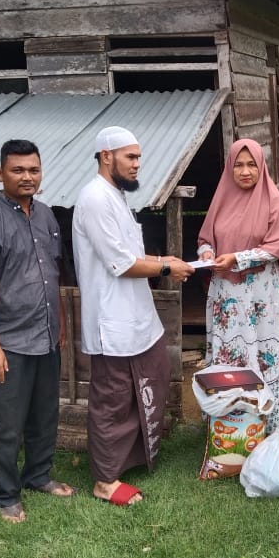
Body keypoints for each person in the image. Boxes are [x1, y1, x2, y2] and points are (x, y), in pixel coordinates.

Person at [73, 126, 194, 506]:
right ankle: (105, 481)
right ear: (106, 156)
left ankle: (133, 457)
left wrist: (165, 260)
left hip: (137, 316)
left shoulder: (117, 198)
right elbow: (120, 263)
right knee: (112, 398)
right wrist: (166, 269)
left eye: (139, 157)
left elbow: (132, 253)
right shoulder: (94, 198)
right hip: (112, 320)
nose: (137, 164)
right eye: (131, 157)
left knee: (149, 380)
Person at [0, 139, 75, 524]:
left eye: (34, 170)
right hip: (8, 342)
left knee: (45, 415)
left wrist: (58, 321)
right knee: (8, 424)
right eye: (18, 170)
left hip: (45, 337)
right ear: (0, 174)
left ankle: (38, 475)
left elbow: (52, 274)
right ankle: (6, 496)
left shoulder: (46, 216)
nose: (27, 177)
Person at [198, 138, 279, 430]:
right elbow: (205, 238)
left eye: (251, 164)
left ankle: (267, 422)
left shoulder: (272, 199)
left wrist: (236, 259)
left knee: (261, 352)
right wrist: (208, 254)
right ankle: (228, 425)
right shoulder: (221, 198)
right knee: (230, 352)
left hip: (259, 294)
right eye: (238, 165)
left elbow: (274, 246)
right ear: (230, 168)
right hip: (226, 292)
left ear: (261, 165)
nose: (245, 171)